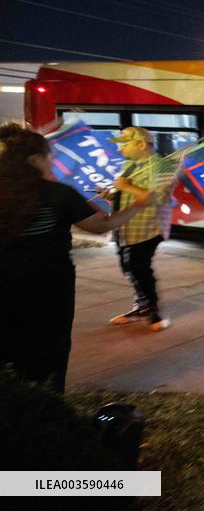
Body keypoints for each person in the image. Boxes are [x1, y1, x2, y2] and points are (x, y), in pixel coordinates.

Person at [0, 124, 147, 393]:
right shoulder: (57, 194)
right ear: (34, 160)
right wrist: (139, 204)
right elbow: (102, 225)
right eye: (48, 156)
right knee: (50, 341)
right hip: (49, 283)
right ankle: (47, 399)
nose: (51, 161)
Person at [105, 127, 177, 332]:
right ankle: (141, 307)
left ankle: (153, 312)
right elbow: (128, 193)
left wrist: (126, 186)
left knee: (139, 268)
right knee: (128, 268)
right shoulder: (129, 165)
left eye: (124, 144)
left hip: (147, 227)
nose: (120, 149)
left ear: (141, 144)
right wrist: (112, 195)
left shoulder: (163, 166)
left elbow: (158, 197)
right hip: (124, 227)